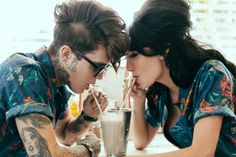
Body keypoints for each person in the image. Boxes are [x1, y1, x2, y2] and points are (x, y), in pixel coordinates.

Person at [0, 0, 129, 156]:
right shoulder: (26, 74)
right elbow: (45, 154)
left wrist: (87, 115)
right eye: (97, 67)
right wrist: (88, 150)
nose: (101, 76)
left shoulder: (57, 82)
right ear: (66, 54)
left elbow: (64, 135)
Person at [125, 0, 236, 156]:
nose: (129, 66)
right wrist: (138, 101)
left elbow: (202, 152)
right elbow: (141, 141)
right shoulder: (160, 92)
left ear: (164, 48)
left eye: (134, 55)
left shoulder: (211, 74)